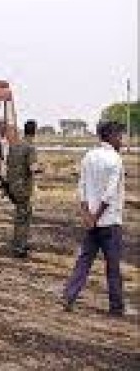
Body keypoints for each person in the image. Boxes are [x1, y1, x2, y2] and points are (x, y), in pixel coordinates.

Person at [63, 121, 126, 316]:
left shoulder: (88, 156)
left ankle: (69, 295)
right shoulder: (115, 159)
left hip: (92, 222)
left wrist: (87, 216)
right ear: (111, 137)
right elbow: (110, 193)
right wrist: (96, 216)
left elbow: (81, 188)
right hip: (110, 221)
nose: (121, 140)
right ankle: (116, 307)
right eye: (119, 136)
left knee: (84, 261)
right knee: (113, 266)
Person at [6, 120, 41, 258]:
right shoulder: (30, 147)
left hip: (12, 186)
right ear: (34, 131)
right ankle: (19, 247)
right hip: (23, 188)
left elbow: (8, 164)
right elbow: (33, 168)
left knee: (20, 215)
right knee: (23, 217)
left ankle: (20, 243)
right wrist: (40, 169)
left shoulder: (14, 145)